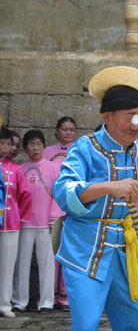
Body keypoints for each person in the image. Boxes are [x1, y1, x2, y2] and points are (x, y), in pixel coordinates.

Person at [51, 66, 138, 331]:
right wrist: (109, 187)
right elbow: (64, 191)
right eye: (131, 116)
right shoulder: (85, 147)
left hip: (126, 254)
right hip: (85, 250)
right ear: (108, 116)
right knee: (87, 324)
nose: (137, 124)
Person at [12, 130, 61, 313]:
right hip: (24, 223)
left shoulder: (53, 168)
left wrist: (54, 217)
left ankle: (46, 302)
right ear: (25, 148)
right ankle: (19, 300)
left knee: (47, 263)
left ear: (44, 146)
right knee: (21, 262)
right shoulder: (20, 169)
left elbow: (59, 194)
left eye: (39, 144)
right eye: (31, 144)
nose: (35, 148)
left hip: (46, 224)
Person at [43, 116, 77, 310]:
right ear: (57, 131)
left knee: (69, 254)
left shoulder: (80, 151)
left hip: (71, 207)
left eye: (71, 130)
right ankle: (49, 295)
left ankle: (66, 296)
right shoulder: (48, 152)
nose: (68, 133)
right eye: (64, 129)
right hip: (50, 207)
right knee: (51, 255)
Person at [0, 126, 32, 319]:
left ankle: (4, 303)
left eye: (8, 144)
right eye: (2, 144)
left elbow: (25, 195)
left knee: (7, 264)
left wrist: (19, 216)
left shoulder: (15, 170)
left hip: (9, 222)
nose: (5, 148)